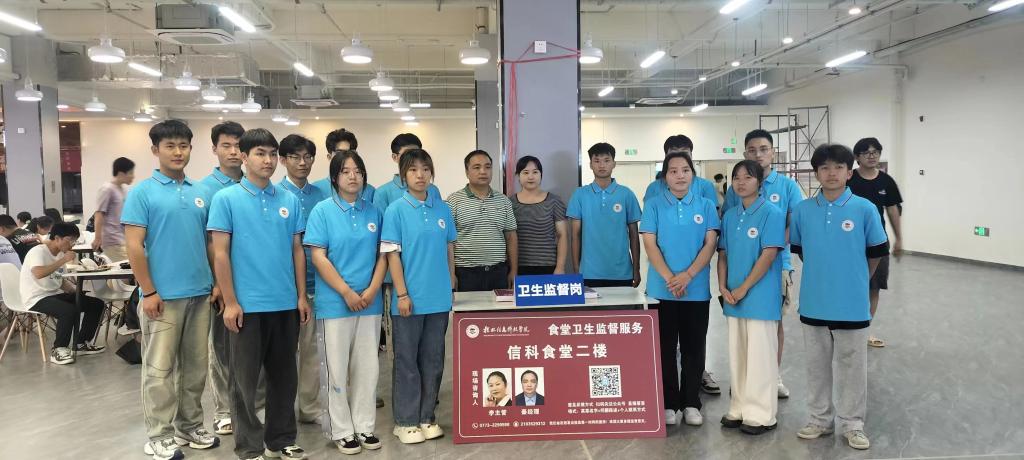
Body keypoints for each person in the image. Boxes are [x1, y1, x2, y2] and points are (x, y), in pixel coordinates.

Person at [208, 128, 310, 460]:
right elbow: (220, 254)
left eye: (271, 154)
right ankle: (249, 448)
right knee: (244, 383)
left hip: (285, 304)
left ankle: (281, 440)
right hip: (246, 307)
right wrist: (230, 302)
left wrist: (301, 296)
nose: (267, 160)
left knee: (284, 378)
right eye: (259, 153)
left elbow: (297, 250)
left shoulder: (289, 200)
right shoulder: (226, 199)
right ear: (244, 156)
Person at [123, 120, 220, 460]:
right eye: (170, 146)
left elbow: (210, 243)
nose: (178, 152)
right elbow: (134, 246)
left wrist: (216, 283)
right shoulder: (142, 193)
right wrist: (148, 291)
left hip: (200, 294)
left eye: (183, 145)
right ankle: (159, 434)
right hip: (162, 298)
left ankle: (189, 426)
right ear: (155, 150)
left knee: (195, 367)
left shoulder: (201, 192)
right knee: (159, 370)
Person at [790, 144, 888, 451]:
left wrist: (856, 279)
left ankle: (852, 424)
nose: (831, 173)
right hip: (814, 301)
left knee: (852, 367)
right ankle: (819, 419)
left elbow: (876, 252)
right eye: (824, 168)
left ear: (849, 172)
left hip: (852, 304)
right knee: (816, 366)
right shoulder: (803, 210)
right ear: (816, 173)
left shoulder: (864, 209)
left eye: (838, 167)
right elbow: (802, 251)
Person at [304, 150, 386, 455]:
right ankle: (341, 430)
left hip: (370, 303)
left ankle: (364, 426)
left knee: (368, 368)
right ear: (334, 177)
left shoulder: (374, 212)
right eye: (346, 171)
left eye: (358, 171)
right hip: (335, 304)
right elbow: (318, 257)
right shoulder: (322, 211)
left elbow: (384, 255)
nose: (353, 176)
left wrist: (372, 289)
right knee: (336, 369)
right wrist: (347, 293)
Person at [380, 149, 456, 445]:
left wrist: (451, 283)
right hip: (408, 299)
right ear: (403, 175)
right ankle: (406, 421)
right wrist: (401, 293)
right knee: (407, 361)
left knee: (433, 360)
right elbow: (392, 255)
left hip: (438, 298)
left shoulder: (442, 209)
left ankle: (427, 417)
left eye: (425, 169)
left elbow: (449, 248)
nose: (420, 175)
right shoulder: (396, 210)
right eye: (413, 170)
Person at [722, 129, 805, 399]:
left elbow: (795, 223)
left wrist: (772, 244)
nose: (758, 154)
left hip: (777, 264)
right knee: (743, 323)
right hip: (741, 265)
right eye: (752, 150)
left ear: (772, 152)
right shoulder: (737, 188)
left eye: (763, 149)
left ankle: (772, 376)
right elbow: (731, 222)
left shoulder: (788, 186)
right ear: (745, 153)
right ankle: (745, 378)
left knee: (772, 322)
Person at [639, 150, 720, 427]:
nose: (680, 176)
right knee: (664, 348)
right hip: (661, 290)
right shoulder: (653, 205)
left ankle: (691, 402)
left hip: (695, 290)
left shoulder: (706, 205)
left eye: (685, 170)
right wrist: (670, 278)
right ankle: (669, 403)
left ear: (693, 174)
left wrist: (687, 276)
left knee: (693, 348)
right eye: (673, 171)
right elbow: (650, 244)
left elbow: (710, 243)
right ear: (665, 177)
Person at [717, 160, 786, 436]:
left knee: (760, 355)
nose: (741, 182)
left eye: (748, 177)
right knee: (738, 353)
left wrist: (744, 288)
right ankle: (739, 407)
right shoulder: (730, 216)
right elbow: (723, 254)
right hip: (733, 295)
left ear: (759, 181)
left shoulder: (772, 213)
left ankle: (761, 414)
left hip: (760, 295)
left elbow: (768, 255)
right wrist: (722, 286)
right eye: (736, 177)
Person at [199, 120, 246, 437]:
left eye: (237, 146)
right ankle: (224, 411)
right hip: (220, 286)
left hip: (254, 284)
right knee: (222, 349)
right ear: (214, 149)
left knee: (251, 352)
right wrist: (217, 282)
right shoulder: (204, 190)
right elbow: (207, 243)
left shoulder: (256, 185)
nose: (233, 152)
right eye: (226, 145)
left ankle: (251, 407)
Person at [277, 134, 326, 425]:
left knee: (311, 352)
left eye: (307, 157)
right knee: (281, 354)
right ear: (283, 160)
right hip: (283, 288)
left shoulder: (322, 195)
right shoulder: (275, 194)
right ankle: (280, 410)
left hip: (315, 286)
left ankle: (309, 407)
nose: (302, 162)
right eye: (295, 157)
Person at [19, 222, 105, 364]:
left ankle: (80, 343)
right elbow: (38, 273)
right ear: (57, 238)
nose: (72, 244)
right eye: (70, 240)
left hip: (54, 294)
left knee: (96, 304)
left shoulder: (60, 254)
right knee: (68, 310)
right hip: (36, 297)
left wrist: (76, 292)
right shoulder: (38, 251)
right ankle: (58, 349)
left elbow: (60, 280)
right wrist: (64, 260)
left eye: (74, 240)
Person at [849, 137, 903, 348]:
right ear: (857, 157)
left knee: (873, 288)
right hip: (850, 243)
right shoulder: (850, 179)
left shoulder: (886, 181)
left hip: (877, 243)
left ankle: (863, 330)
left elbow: (893, 210)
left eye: (875, 152)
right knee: (850, 286)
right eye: (866, 152)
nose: (871, 156)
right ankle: (844, 327)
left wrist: (899, 238)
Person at [567, 143, 642, 288]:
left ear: (614, 163)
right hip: (589, 272)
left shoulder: (626, 194)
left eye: (606, 160)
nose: (602, 165)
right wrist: (576, 270)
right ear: (590, 165)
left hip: (622, 272)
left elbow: (634, 235)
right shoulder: (579, 195)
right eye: (597, 161)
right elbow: (575, 235)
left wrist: (636, 269)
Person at [447, 150, 518, 291]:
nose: (483, 171)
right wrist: (451, 274)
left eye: (487, 167)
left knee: (499, 307)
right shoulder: (453, 201)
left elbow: (511, 236)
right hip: (466, 273)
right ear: (467, 172)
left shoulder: (503, 200)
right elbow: (449, 241)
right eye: (477, 167)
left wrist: (513, 271)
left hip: (498, 272)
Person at [511, 156, 567, 276]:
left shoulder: (554, 201)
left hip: (549, 266)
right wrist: (512, 270)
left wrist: (560, 267)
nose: (530, 177)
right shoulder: (510, 203)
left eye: (535, 172)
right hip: (518, 267)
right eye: (525, 172)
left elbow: (562, 235)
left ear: (541, 175)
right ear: (518, 176)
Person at [373, 133, 440, 210]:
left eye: (416, 153)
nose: (412, 158)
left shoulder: (433, 190)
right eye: (407, 154)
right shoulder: (382, 193)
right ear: (395, 157)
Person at [643, 135, 717, 204]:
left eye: (684, 153)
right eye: (674, 153)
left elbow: (712, 212)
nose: (680, 157)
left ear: (691, 156)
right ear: (666, 156)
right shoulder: (653, 188)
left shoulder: (705, 186)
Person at [314, 128, 375, 202]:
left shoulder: (369, 191)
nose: (346, 157)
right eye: (340, 153)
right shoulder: (316, 190)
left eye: (351, 152)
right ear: (329, 157)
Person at [92, 156, 135, 262]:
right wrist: (98, 238)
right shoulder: (107, 189)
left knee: (129, 268)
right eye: (130, 173)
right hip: (112, 240)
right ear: (121, 173)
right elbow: (99, 214)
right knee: (129, 269)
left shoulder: (123, 190)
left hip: (122, 239)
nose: (133, 176)